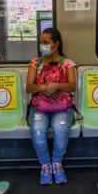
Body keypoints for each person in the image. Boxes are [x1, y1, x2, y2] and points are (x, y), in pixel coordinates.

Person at [26, 28, 76, 185]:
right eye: (41, 42)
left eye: (46, 42)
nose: (43, 45)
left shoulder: (67, 63)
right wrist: (44, 88)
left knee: (60, 128)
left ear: (56, 44)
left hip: (61, 106)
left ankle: (57, 164)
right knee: (37, 130)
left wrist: (56, 86)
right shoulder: (35, 63)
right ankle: (46, 165)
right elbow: (29, 88)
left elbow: (72, 86)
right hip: (40, 105)